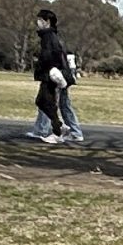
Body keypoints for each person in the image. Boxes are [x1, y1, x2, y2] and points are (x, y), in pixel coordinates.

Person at [28, 9, 83, 145]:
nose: (38, 22)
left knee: (49, 103)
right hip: (57, 75)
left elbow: (50, 56)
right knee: (52, 103)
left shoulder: (48, 36)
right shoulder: (50, 36)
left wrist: (45, 68)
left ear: (47, 21)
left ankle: (60, 131)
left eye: (40, 20)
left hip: (55, 76)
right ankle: (47, 129)